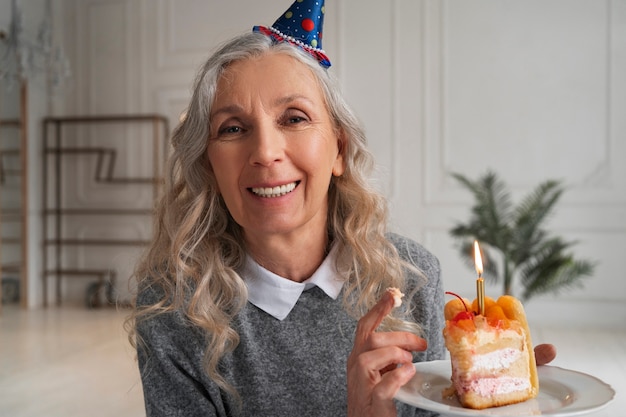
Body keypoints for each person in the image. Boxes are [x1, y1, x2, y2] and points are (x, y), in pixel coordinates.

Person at [127, 1, 556, 416]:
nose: (265, 152)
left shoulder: (413, 276)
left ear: (339, 150)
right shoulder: (174, 312)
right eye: (233, 128)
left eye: (294, 118)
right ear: (209, 165)